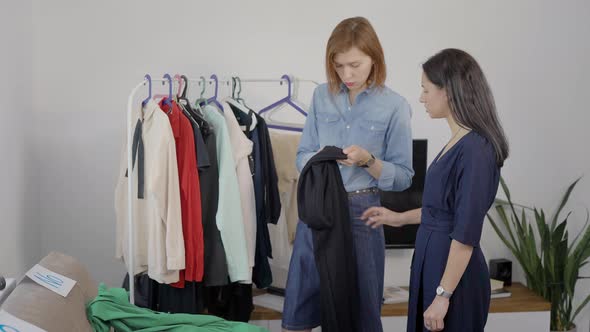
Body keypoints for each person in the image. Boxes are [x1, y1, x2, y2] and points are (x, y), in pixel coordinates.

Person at [281, 17, 414, 332]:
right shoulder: (320, 96)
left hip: (362, 213)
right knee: (299, 311)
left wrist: (368, 161)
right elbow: (302, 155)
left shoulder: (394, 106)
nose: (347, 74)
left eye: (355, 64)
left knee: (361, 314)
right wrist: (323, 162)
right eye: (339, 66)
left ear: (374, 58)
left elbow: (403, 176)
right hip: (318, 209)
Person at [362, 48, 509, 332]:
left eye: (426, 89)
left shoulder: (476, 149)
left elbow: (465, 232)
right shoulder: (459, 142)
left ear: (449, 91)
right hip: (434, 265)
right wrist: (398, 218)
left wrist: (443, 295)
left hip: (453, 277)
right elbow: (444, 210)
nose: (421, 98)